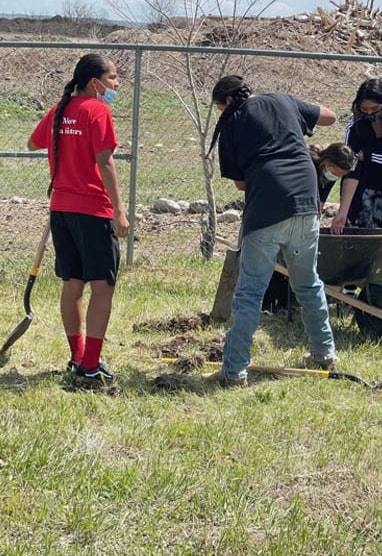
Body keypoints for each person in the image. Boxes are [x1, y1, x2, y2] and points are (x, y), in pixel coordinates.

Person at [202, 75, 337, 387]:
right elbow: (328, 116)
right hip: (306, 200)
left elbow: (240, 183)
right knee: (308, 283)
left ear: (224, 103)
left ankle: (234, 372)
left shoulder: (231, 123)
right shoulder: (281, 99)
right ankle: (324, 353)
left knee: (250, 293)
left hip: (266, 210)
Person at [27, 53, 129, 382]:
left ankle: (77, 356)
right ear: (94, 82)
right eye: (112, 78)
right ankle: (90, 366)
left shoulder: (60, 110)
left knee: (73, 284)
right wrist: (119, 211)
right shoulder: (98, 111)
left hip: (62, 209)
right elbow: (105, 162)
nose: (116, 85)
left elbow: (32, 144)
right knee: (103, 286)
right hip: (93, 210)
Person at [262, 142, 356, 314]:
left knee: (293, 259)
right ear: (328, 162)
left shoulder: (328, 176)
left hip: (302, 215)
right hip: (282, 208)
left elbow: (319, 202)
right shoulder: (307, 164)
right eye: (335, 173)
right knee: (278, 259)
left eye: (340, 175)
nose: (335, 177)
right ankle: (267, 304)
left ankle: (285, 302)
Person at [331, 78, 382, 234]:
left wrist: (368, 155)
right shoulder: (355, 126)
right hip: (363, 187)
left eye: (375, 108)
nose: (369, 113)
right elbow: (351, 165)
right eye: (364, 109)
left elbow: (363, 156)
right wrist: (342, 212)